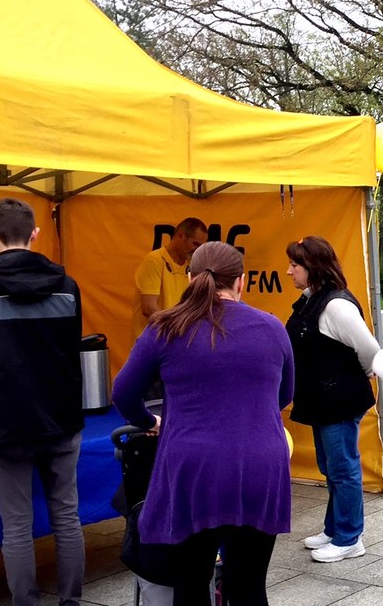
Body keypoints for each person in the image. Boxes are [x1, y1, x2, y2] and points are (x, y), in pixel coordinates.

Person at [113, 242, 294, 604]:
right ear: (242, 282)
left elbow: (123, 393)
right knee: (250, 586)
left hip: (192, 468)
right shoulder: (272, 327)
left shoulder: (165, 328)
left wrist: (149, 420)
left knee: (191, 586)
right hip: (260, 464)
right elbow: (284, 395)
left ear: (191, 278)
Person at [0, 198, 85, 606]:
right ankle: (71, 602)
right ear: (35, 233)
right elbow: (70, 351)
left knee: (16, 526)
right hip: (61, 416)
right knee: (67, 516)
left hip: (7, 422)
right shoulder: (67, 285)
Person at [285, 236, 381, 562]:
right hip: (322, 401)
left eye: (294, 265)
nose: (288, 271)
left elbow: (370, 349)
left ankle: (350, 537)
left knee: (343, 469)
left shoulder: (335, 305)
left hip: (338, 401)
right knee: (331, 467)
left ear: (311, 267)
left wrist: (362, 374)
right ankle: (334, 528)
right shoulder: (313, 299)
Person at [132, 217, 209, 342]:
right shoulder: (155, 260)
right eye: (195, 244)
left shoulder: (192, 266)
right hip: (151, 342)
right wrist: (177, 326)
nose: (197, 250)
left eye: (201, 246)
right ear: (181, 236)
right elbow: (148, 307)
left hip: (174, 341)